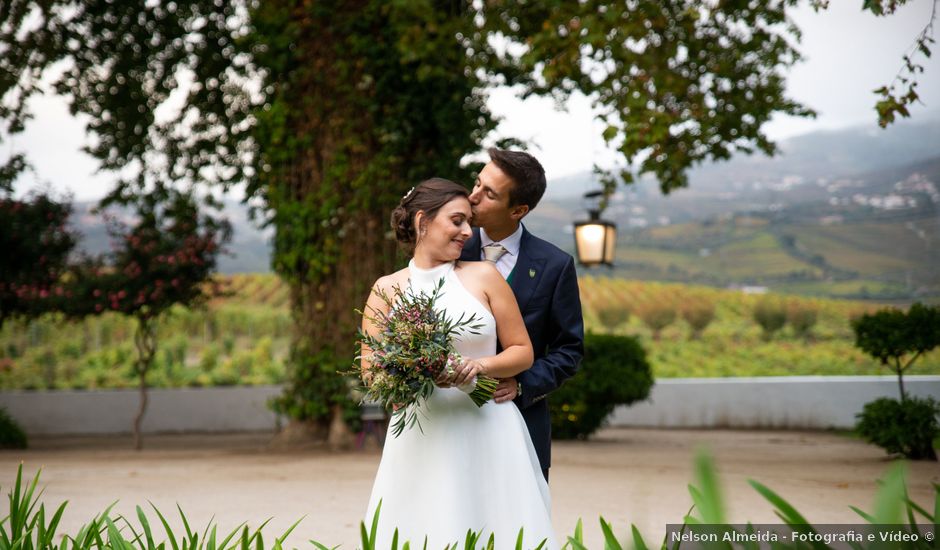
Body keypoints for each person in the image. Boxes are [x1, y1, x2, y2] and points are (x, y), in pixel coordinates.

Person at [362, 178, 558, 549]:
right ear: (423, 221)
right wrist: (411, 371)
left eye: (469, 221)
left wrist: (478, 367)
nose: (468, 231)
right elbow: (371, 371)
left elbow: (522, 350)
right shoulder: (385, 289)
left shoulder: (484, 275)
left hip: (489, 424)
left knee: (498, 526)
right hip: (422, 432)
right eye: (457, 221)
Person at [460, 148, 584, 482]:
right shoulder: (448, 251)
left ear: (519, 210)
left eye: (489, 194)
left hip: (520, 418)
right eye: (476, 184)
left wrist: (522, 385)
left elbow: (568, 350)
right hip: (451, 417)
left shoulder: (555, 266)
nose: (472, 197)